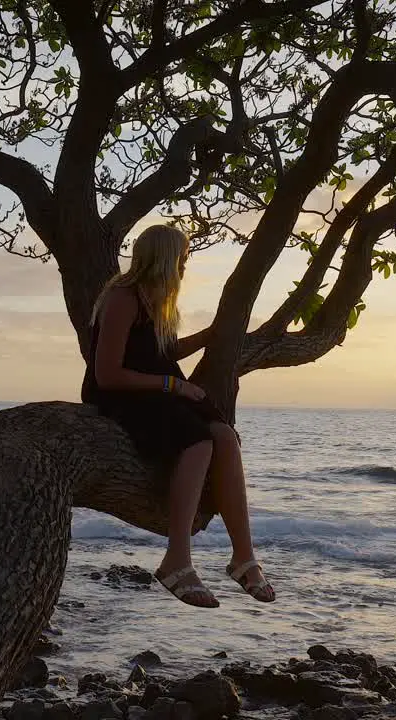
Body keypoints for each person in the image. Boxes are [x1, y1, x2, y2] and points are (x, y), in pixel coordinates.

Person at [81, 224, 275, 608]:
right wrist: (175, 387)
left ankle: (243, 556)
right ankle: (177, 560)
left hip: (156, 392)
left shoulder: (155, 300)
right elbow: (108, 374)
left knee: (224, 436)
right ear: (165, 258)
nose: (185, 266)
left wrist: (210, 336)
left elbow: (161, 354)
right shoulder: (123, 297)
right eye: (183, 258)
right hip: (123, 396)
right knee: (197, 440)